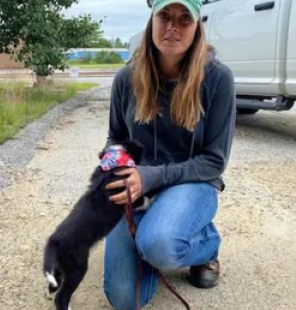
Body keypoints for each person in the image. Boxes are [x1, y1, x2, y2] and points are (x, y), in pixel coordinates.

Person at [103, 0, 236, 309]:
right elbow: (115, 139)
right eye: (164, 15)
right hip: (140, 187)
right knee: (125, 300)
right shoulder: (126, 79)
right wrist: (115, 171)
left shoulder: (217, 79)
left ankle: (205, 244)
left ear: (197, 26)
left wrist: (150, 176)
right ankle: (156, 241)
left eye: (184, 18)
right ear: (152, 20)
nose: (173, 26)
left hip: (192, 183)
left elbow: (214, 161)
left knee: (159, 244)